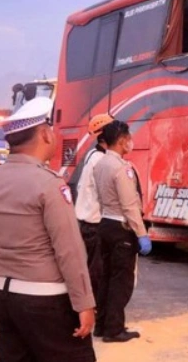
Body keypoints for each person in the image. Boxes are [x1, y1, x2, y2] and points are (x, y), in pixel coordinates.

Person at [0, 97, 96, 362]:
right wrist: (84, 303)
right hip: (45, 300)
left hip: (1, 295)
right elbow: (70, 251)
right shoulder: (50, 185)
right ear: (44, 133)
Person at [92, 119, 151, 343]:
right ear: (123, 140)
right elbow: (129, 205)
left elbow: (100, 197)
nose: (131, 143)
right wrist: (141, 233)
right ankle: (114, 330)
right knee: (121, 281)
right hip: (121, 228)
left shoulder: (100, 164)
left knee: (106, 277)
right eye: (129, 139)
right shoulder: (121, 168)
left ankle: (102, 324)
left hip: (105, 223)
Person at [75, 113, 114, 301]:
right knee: (96, 270)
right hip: (94, 223)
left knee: (92, 267)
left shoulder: (94, 154)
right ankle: (93, 308)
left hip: (86, 221)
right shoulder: (101, 160)